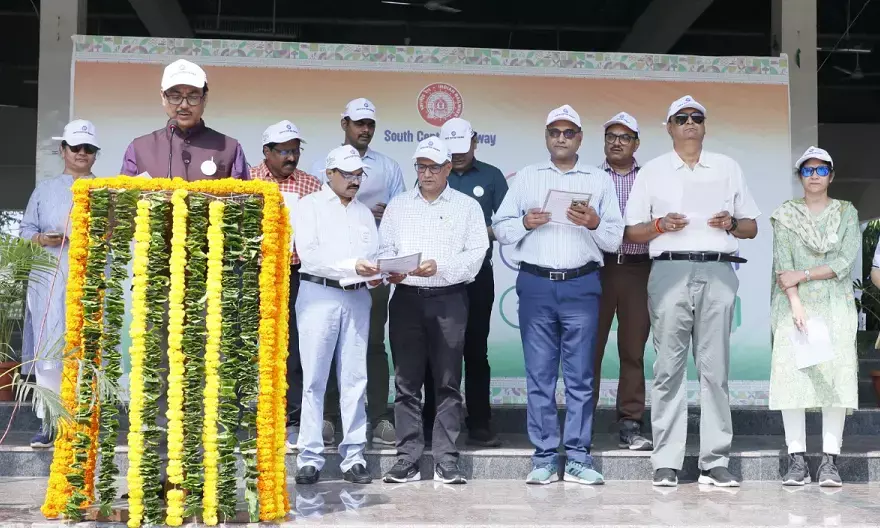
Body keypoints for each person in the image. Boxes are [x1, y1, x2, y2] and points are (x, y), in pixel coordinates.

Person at [624, 95, 760, 488]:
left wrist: (731, 223)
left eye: (695, 118)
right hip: (669, 268)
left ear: (704, 126)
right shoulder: (651, 171)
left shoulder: (727, 167)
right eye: (680, 118)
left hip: (718, 269)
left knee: (715, 369)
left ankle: (714, 460)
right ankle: (666, 460)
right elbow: (632, 232)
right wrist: (661, 225)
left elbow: (751, 226)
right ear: (668, 127)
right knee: (668, 368)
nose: (688, 123)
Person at [492, 105, 624, 485]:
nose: (562, 138)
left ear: (580, 138)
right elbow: (500, 228)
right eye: (555, 132)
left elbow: (615, 238)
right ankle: (546, 457)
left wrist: (594, 222)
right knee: (540, 375)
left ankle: (579, 457)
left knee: (581, 376)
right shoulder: (528, 178)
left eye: (569, 132)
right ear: (547, 137)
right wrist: (524, 222)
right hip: (535, 284)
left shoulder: (599, 180)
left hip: (581, 284)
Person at [380, 138, 488, 485]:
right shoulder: (398, 206)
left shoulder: (467, 207)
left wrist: (437, 268)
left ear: (447, 169)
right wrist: (392, 270)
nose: (426, 173)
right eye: (420, 167)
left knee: (447, 381)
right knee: (406, 382)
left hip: (449, 298)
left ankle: (446, 458)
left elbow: (475, 257)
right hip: (407, 299)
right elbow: (385, 248)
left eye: (433, 167)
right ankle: (407, 457)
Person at [312, 98, 406, 447]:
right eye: (358, 123)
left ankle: (379, 418)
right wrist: (363, 208)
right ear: (344, 124)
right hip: (332, 272)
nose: (364, 130)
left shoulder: (388, 167)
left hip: (373, 272)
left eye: (369, 124)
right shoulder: (323, 164)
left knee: (372, 345)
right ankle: (330, 419)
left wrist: (383, 215)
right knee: (331, 344)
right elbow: (320, 212)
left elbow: (399, 215)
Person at [293, 145, 382, 486]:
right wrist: (353, 266)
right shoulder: (309, 206)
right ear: (328, 174)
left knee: (355, 379)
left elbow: (371, 255)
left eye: (359, 174)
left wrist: (377, 271)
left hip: (358, 298)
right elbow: (311, 256)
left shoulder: (363, 213)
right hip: (319, 295)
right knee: (315, 378)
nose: (354, 181)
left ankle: (354, 456)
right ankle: (310, 457)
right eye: (347, 174)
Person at [770, 146, 858, 487]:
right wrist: (794, 301)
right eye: (808, 171)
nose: (815, 176)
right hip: (794, 307)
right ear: (799, 178)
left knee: (834, 380)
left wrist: (803, 275)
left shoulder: (847, 213)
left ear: (831, 176)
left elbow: (843, 262)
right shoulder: (785, 215)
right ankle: (796, 460)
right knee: (793, 380)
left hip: (836, 306)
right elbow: (783, 266)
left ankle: (829, 461)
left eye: (822, 170)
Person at [421, 117, 508, 448]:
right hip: (436, 276)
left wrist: (475, 235)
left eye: (463, 149)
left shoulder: (492, 176)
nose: (457, 157)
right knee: (436, 349)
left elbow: (507, 225)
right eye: (451, 151)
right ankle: (431, 420)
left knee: (475, 349)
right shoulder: (432, 176)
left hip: (475, 275)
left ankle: (480, 422)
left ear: (475, 141)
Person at [21, 119, 100, 447]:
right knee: (49, 351)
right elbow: (25, 231)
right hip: (49, 279)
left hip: (91, 276)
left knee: (87, 350)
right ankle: (49, 422)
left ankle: (84, 423)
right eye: (76, 147)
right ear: (63, 150)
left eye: (89, 148)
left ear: (95, 154)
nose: (82, 153)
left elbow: (121, 232)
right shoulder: (45, 189)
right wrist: (42, 237)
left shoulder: (107, 187)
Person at [249, 120, 323, 448]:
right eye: (283, 151)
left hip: (295, 275)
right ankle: (249, 417)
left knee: (291, 347)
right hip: (253, 274)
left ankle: (291, 418)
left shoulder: (311, 184)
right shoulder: (247, 179)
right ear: (267, 152)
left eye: (295, 150)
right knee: (251, 344)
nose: (291, 157)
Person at [592, 112, 652, 451]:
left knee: (633, 350)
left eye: (625, 137)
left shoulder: (649, 179)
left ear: (636, 143)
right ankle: (581, 423)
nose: (617, 142)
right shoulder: (589, 177)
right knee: (590, 350)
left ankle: (631, 423)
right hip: (596, 269)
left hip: (637, 268)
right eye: (611, 136)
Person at [120, 59, 248, 180]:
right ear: (163, 97)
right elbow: (125, 200)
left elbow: (245, 199)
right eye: (175, 96)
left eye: (193, 96)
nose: (184, 105)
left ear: (205, 98)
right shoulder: (140, 148)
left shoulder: (229, 148)